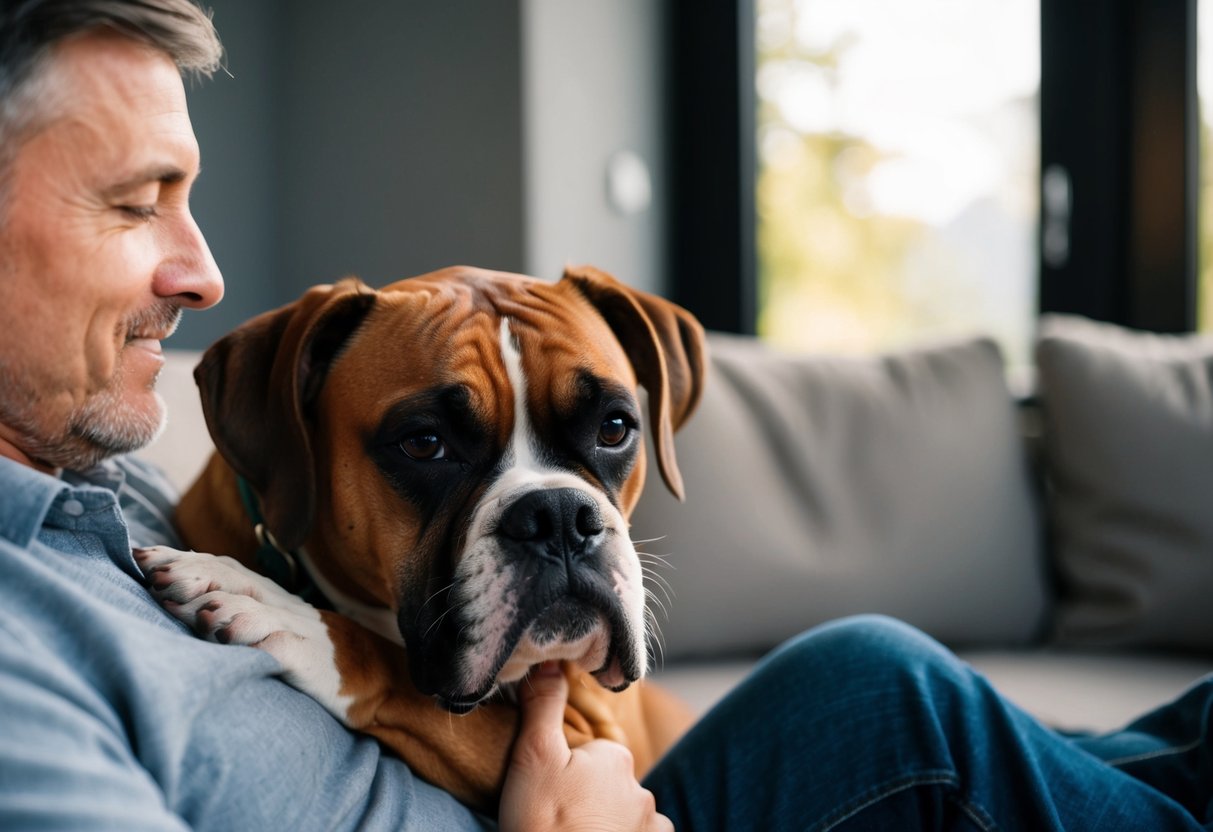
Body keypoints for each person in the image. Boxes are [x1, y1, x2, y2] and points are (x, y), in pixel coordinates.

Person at [0, 2, 1209, 830]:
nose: (205, 273)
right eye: (133, 202)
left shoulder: (102, 480)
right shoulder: (27, 651)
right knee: (879, 686)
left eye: (606, 438)